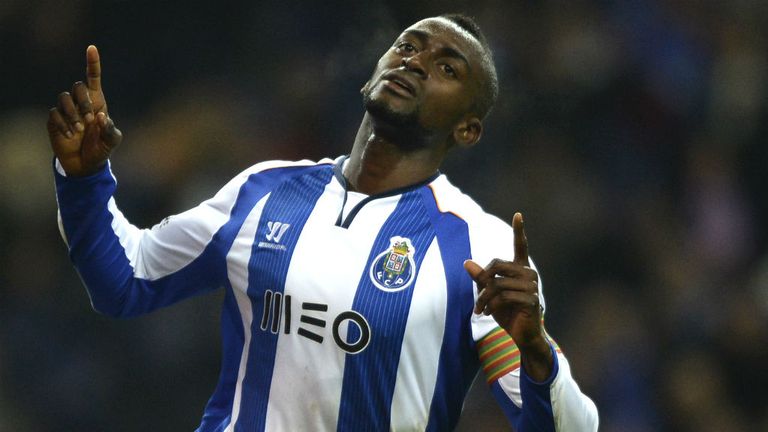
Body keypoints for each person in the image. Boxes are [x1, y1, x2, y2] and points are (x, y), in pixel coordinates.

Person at [47, 14, 598, 431]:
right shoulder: (265, 189)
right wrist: (83, 179)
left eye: (447, 67)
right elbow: (127, 280)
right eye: (407, 46)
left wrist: (538, 351)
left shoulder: (480, 244)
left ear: (468, 129)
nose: (415, 62)